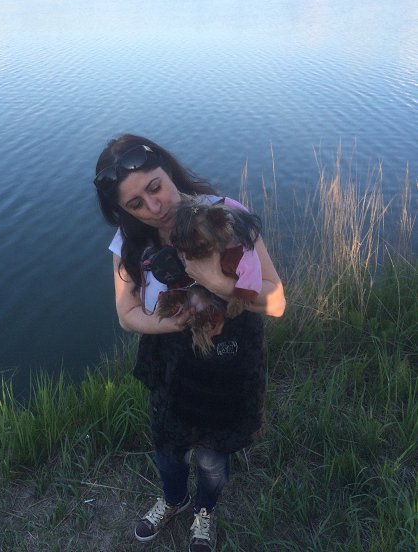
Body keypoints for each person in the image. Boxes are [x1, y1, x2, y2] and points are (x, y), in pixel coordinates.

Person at [94, 133, 286, 552]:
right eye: (136, 204)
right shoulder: (130, 242)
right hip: (170, 359)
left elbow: (277, 302)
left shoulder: (226, 215)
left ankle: (205, 510)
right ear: (124, 211)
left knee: (213, 455)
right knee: (168, 448)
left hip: (230, 357)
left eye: (155, 187)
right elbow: (127, 315)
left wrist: (218, 283)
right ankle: (174, 499)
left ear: (168, 169)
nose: (154, 207)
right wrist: (176, 323)